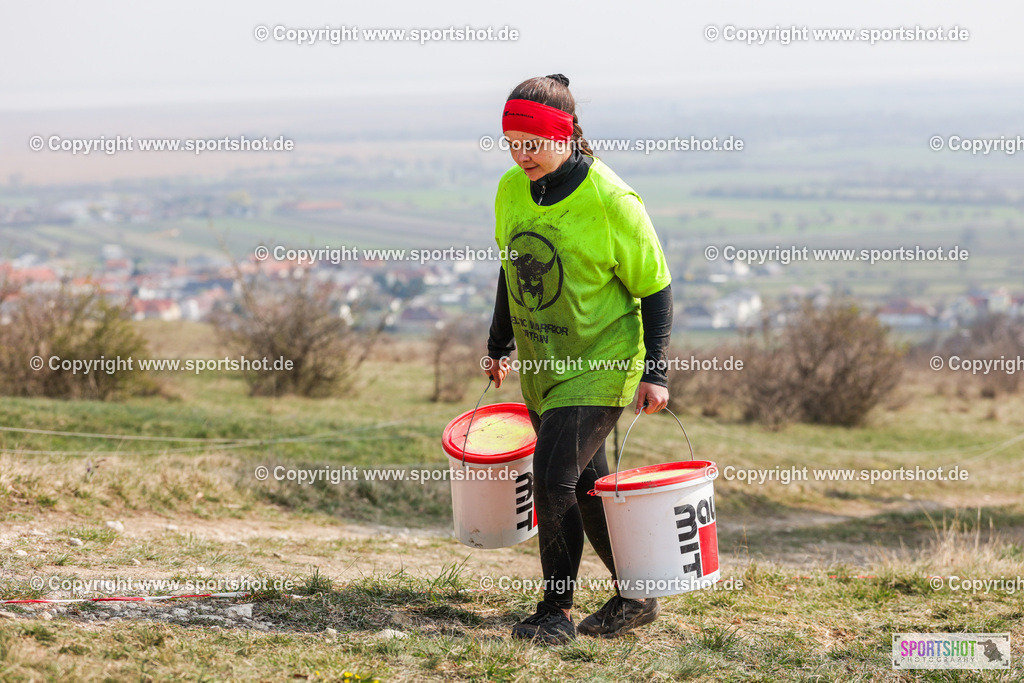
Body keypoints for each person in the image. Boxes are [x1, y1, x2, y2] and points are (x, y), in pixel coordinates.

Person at [481, 73, 674, 645]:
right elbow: (511, 267)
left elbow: (656, 287)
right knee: (587, 488)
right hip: (546, 366)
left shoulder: (612, 201)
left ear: (564, 136)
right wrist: (499, 344)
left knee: (552, 478)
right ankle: (636, 594)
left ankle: (554, 612)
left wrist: (655, 370)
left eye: (533, 144)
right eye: (513, 143)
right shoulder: (511, 190)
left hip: (603, 363)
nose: (522, 155)